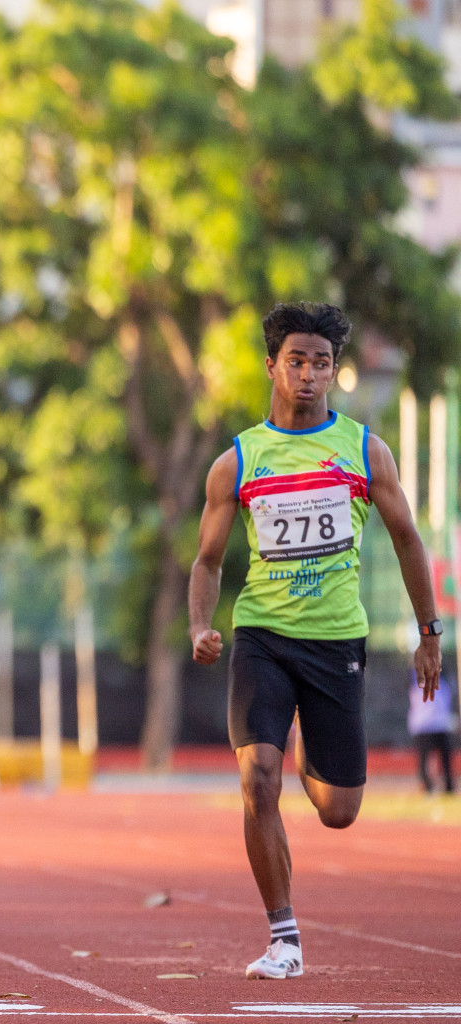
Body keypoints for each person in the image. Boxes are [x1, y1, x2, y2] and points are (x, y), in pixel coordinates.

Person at [189, 302, 443, 980]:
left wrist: (428, 631)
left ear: (335, 371)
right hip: (262, 638)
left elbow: (408, 539)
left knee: (338, 811)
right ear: (273, 366)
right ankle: (284, 937)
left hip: (336, 645)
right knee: (257, 778)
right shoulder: (238, 461)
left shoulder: (363, 450)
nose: (308, 374)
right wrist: (199, 624)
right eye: (296, 361)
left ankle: (303, 742)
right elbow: (208, 562)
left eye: (321, 363)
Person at [409, 669, 456, 795]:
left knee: (446, 759)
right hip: (424, 725)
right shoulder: (417, 681)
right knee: (424, 759)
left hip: (441, 725)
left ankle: (449, 786)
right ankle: (427, 787)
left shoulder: (443, 683)